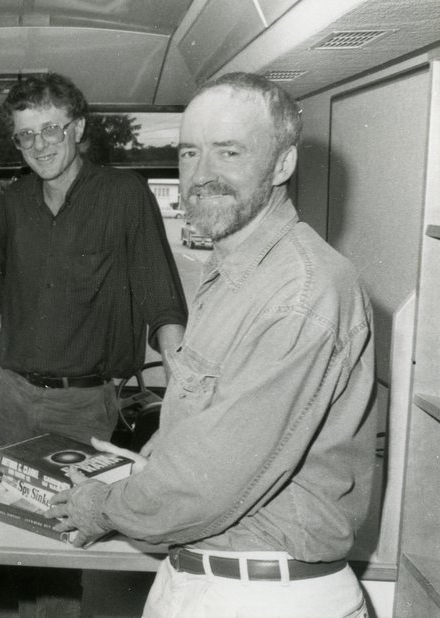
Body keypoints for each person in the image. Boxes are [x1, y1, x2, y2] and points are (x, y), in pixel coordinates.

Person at [48, 73, 376, 618]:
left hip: (265, 596)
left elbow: (203, 489)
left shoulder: (302, 289)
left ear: (282, 165)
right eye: (190, 153)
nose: (201, 176)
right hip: (213, 581)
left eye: (229, 151)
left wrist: (100, 505)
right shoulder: (231, 272)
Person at [0, 72, 187, 450]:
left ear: (78, 128)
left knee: (73, 509)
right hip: (11, 399)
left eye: (51, 129)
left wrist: (183, 410)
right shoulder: (13, 203)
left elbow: (164, 306)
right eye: (26, 135)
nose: (39, 145)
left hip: (84, 407)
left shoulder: (124, 196)